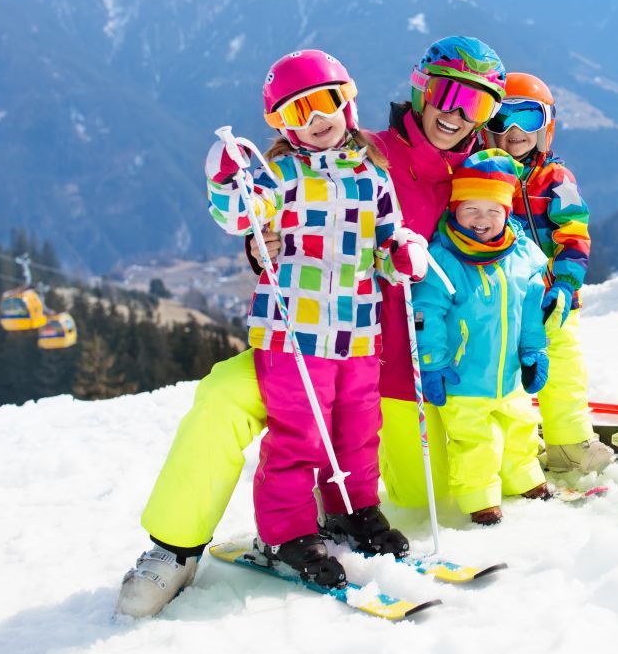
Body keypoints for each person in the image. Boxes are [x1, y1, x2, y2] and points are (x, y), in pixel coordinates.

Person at [116, 36, 506, 617]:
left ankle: (349, 510)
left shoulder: (486, 176)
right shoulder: (364, 153)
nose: (455, 112)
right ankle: (206, 543)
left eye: (475, 104)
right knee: (260, 413)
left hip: (387, 352)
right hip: (306, 334)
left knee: (359, 438)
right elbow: (253, 211)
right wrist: (249, 223)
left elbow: (512, 260)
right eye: (446, 93)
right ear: (420, 89)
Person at [412, 149, 551, 525]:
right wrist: (433, 363)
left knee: (520, 427)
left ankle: (524, 477)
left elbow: (531, 310)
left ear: (506, 214)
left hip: (508, 376)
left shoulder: (520, 256)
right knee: (475, 441)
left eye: (493, 211)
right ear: (454, 209)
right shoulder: (443, 258)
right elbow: (427, 312)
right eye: (471, 209)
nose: (481, 220)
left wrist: (534, 349)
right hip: (464, 376)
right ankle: (479, 497)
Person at [482, 73, 612, 474]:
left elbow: (573, 233)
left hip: (551, 299)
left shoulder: (556, 179)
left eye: (527, 117)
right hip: (501, 303)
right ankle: (511, 450)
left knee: (563, 367)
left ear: (546, 126)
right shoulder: (480, 176)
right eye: (501, 119)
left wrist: (565, 284)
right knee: (505, 378)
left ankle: (569, 443)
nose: (515, 130)